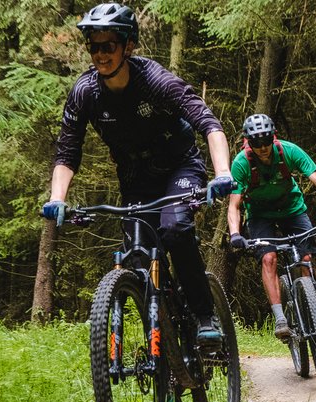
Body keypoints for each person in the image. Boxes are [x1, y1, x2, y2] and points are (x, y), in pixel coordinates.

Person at [40, 3, 235, 344]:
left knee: (174, 228)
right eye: (94, 46)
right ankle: (165, 351)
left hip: (179, 167)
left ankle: (204, 315)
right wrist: (58, 198)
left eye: (108, 46)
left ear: (128, 46)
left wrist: (222, 174)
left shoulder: (157, 82)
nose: (100, 54)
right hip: (135, 178)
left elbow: (209, 124)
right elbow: (67, 152)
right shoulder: (85, 93)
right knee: (139, 257)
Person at [226, 114, 316, 339]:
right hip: (260, 215)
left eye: (266, 141)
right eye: (256, 143)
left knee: (306, 258)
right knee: (268, 258)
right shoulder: (241, 163)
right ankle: (281, 318)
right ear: (248, 143)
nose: (262, 147)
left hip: (292, 208)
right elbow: (234, 205)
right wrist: (235, 233)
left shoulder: (289, 151)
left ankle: (312, 304)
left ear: (273, 137)